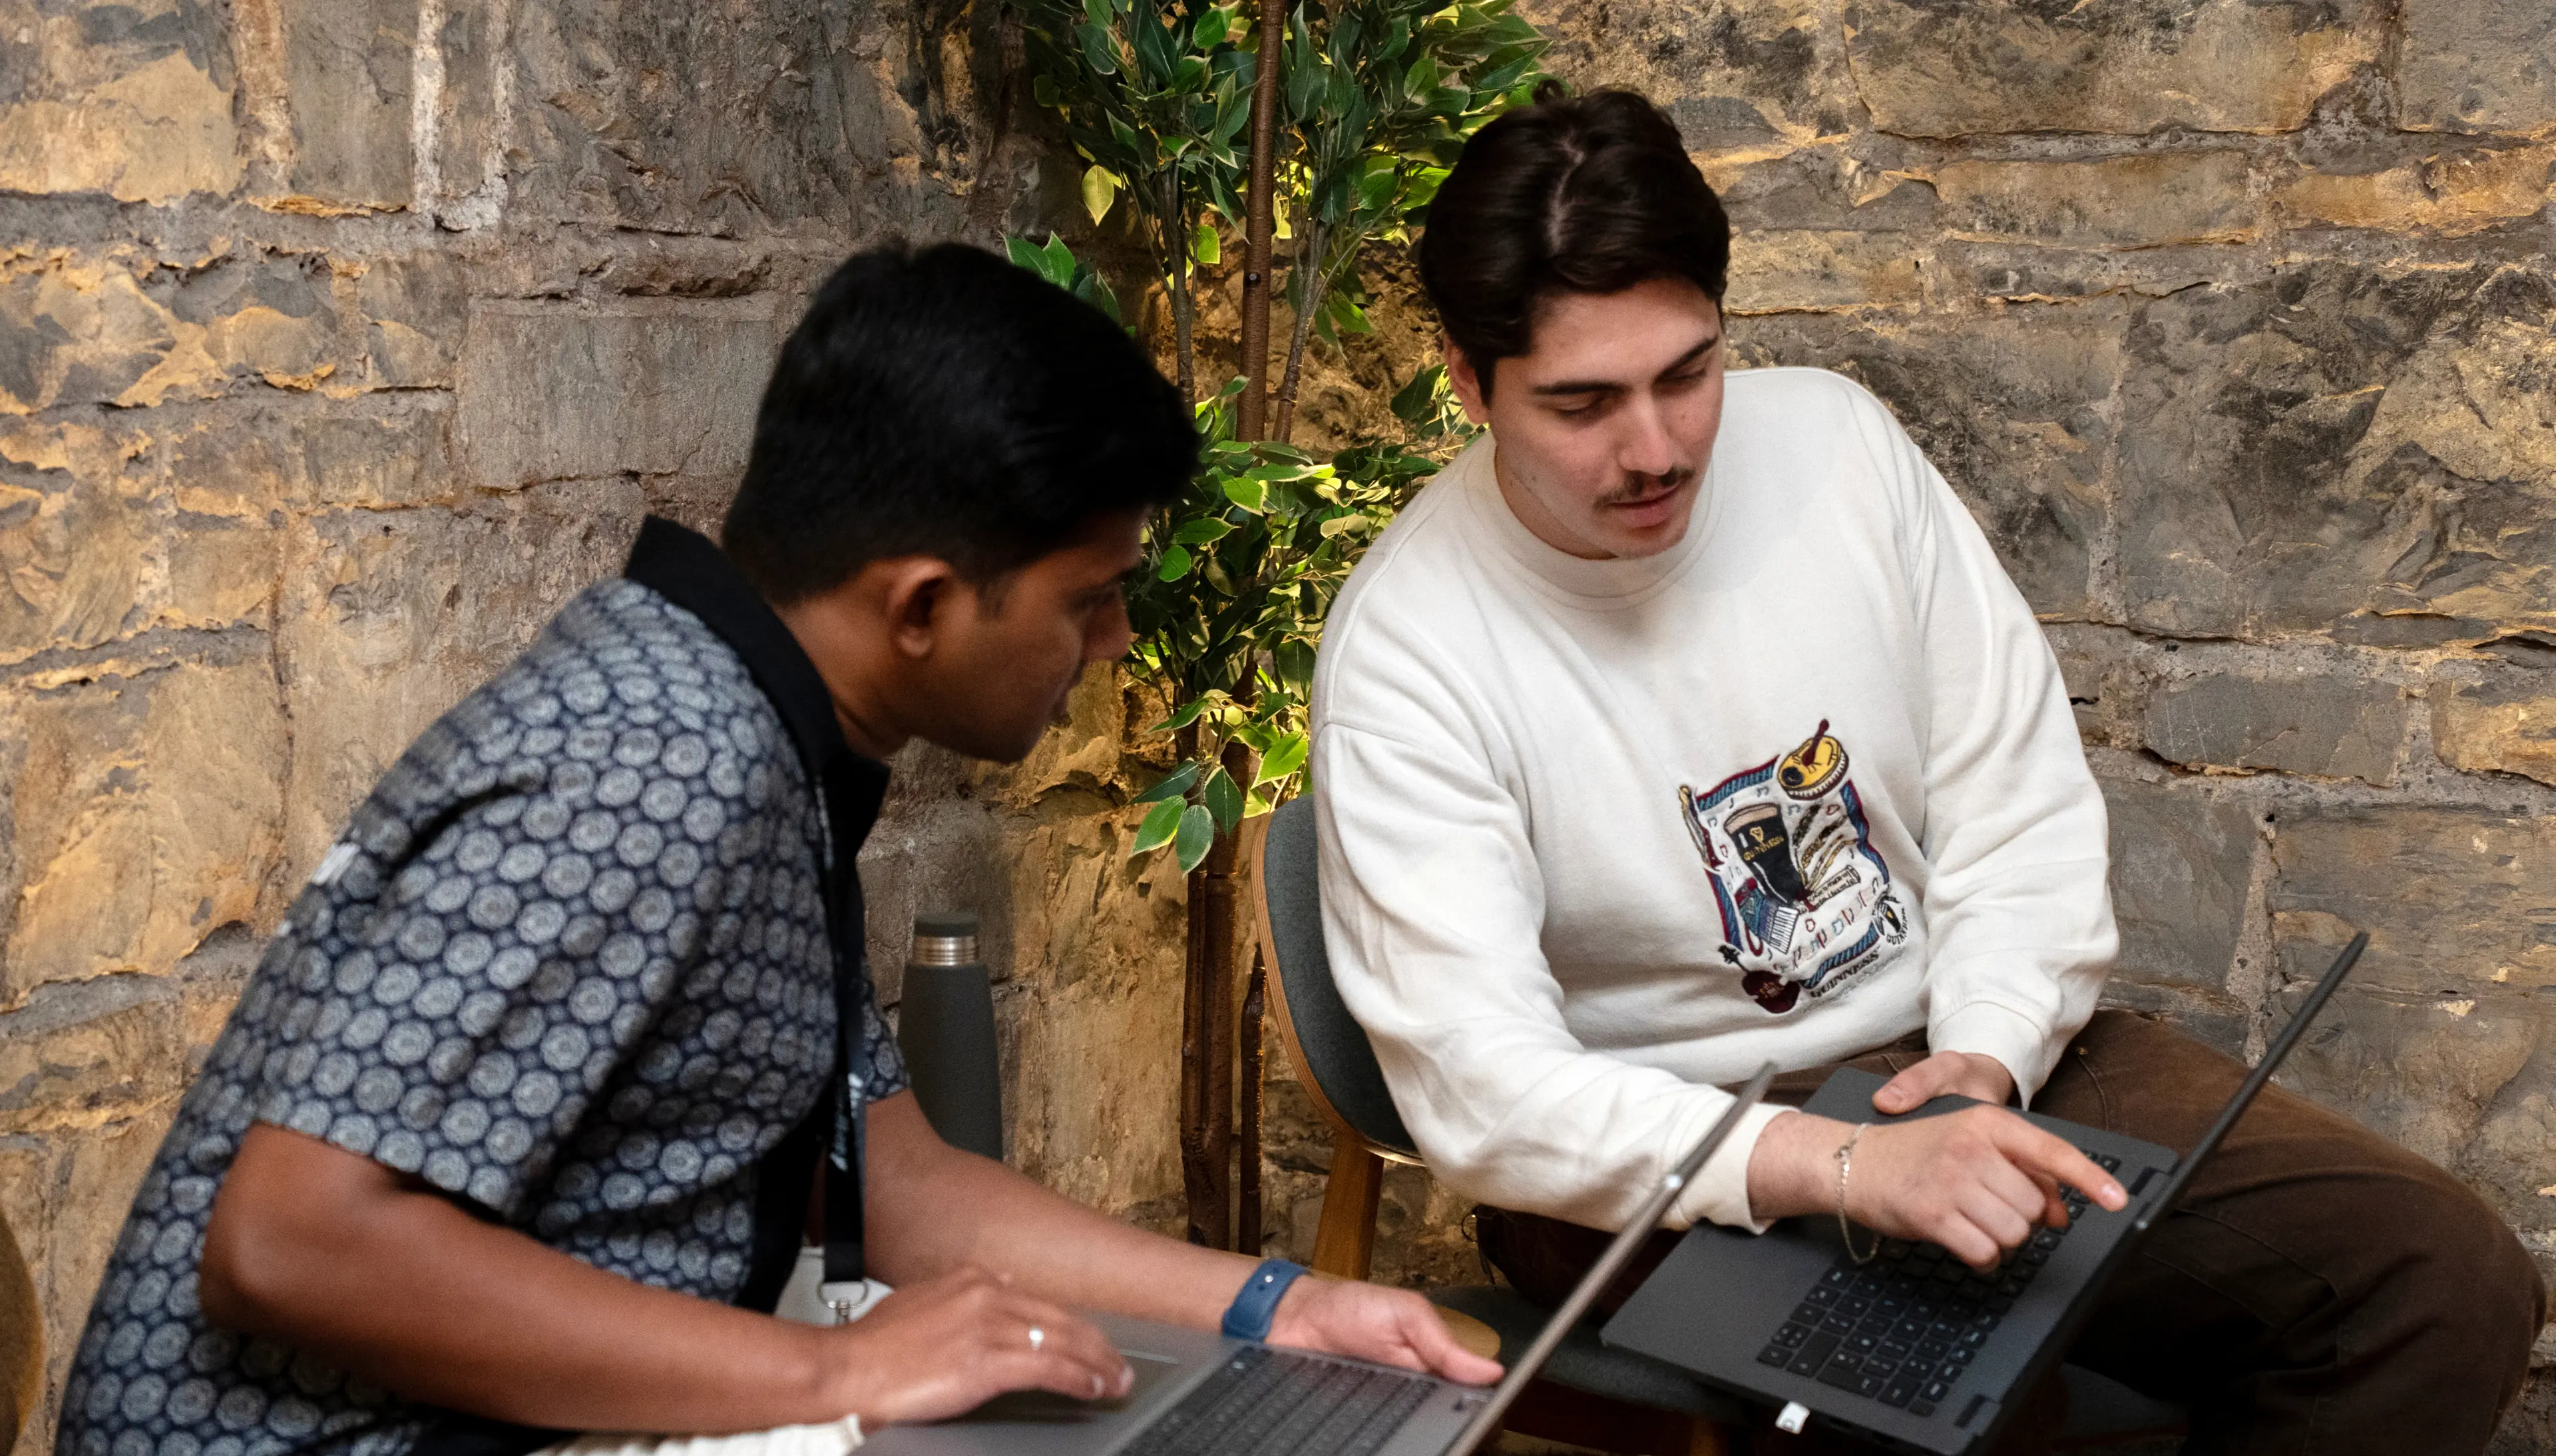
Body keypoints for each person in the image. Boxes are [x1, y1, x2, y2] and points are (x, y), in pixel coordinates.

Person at [55, 242, 1499, 1456]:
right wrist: (838, 1375)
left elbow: (890, 1176)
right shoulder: (655, 760)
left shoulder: (760, 729)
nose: (1114, 642)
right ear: (924, 602)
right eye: (1092, 596)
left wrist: (1278, 1305)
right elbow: (293, 1242)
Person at [1310, 85, 2544, 1453]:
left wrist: (1987, 1053)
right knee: (1958, 1400)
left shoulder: (1839, 445)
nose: (1655, 449)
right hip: (1667, 1150)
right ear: (1470, 379)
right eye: (1583, 402)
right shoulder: (1408, 645)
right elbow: (1485, 1084)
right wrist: (1840, 1163)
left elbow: (2013, 798)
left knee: (2442, 1280)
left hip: (1959, 1049)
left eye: (1688, 373)